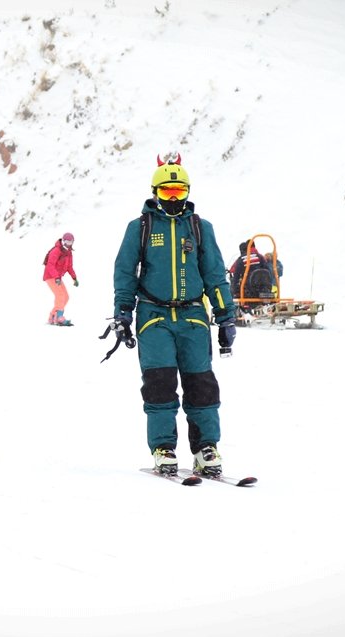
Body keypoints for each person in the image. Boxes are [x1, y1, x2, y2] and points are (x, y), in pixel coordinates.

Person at [111, 154, 236, 477]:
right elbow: (125, 272)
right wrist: (122, 313)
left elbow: (214, 274)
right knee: (159, 384)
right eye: (167, 193)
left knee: (202, 384)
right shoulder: (139, 228)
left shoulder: (199, 228)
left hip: (193, 318)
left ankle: (206, 447)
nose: (173, 199)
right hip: (154, 318)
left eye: (179, 192)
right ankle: (163, 447)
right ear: (155, 193)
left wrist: (225, 316)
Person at [43, 233, 79, 325]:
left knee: (66, 297)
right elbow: (50, 266)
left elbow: (69, 267)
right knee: (60, 296)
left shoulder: (69, 253)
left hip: (57, 277)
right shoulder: (56, 250)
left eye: (71, 242)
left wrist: (74, 278)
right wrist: (56, 277)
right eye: (67, 241)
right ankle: (59, 317)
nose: (69, 244)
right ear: (63, 241)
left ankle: (52, 316)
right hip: (51, 276)